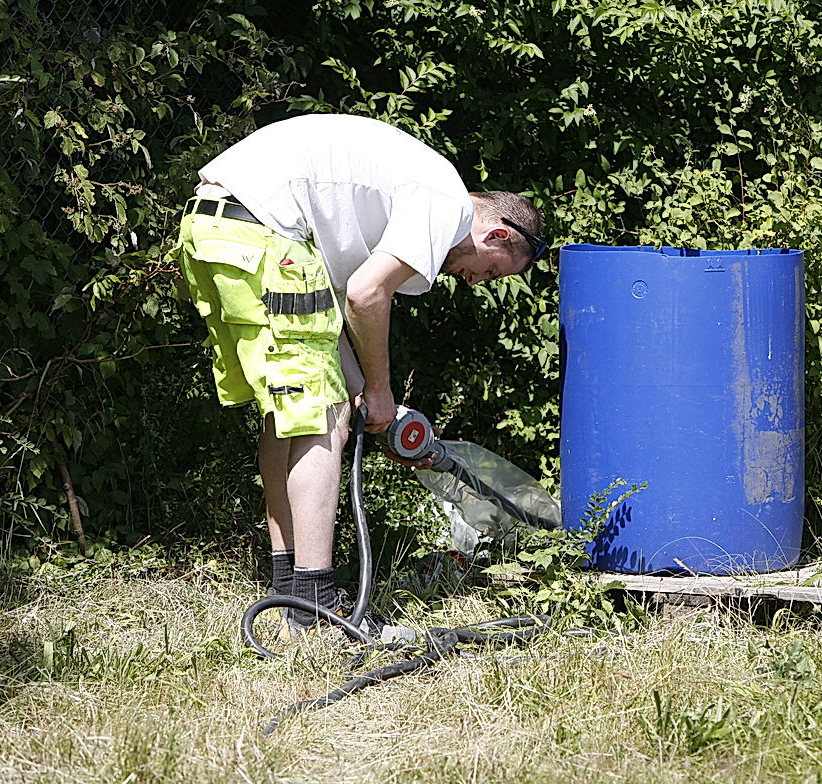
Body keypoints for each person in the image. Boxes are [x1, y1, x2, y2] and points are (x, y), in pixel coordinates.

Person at [175, 113, 547, 630]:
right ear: (498, 234)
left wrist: (370, 400)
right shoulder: (447, 203)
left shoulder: (400, 196)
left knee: (291, 413)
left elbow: (329, 313)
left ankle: (288, 591)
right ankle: (317, 604)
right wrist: (378, 389)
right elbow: (366, 294)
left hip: (213, 225)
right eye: (490, 270)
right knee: (323, 420)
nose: (473, 281)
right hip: (263, 233)